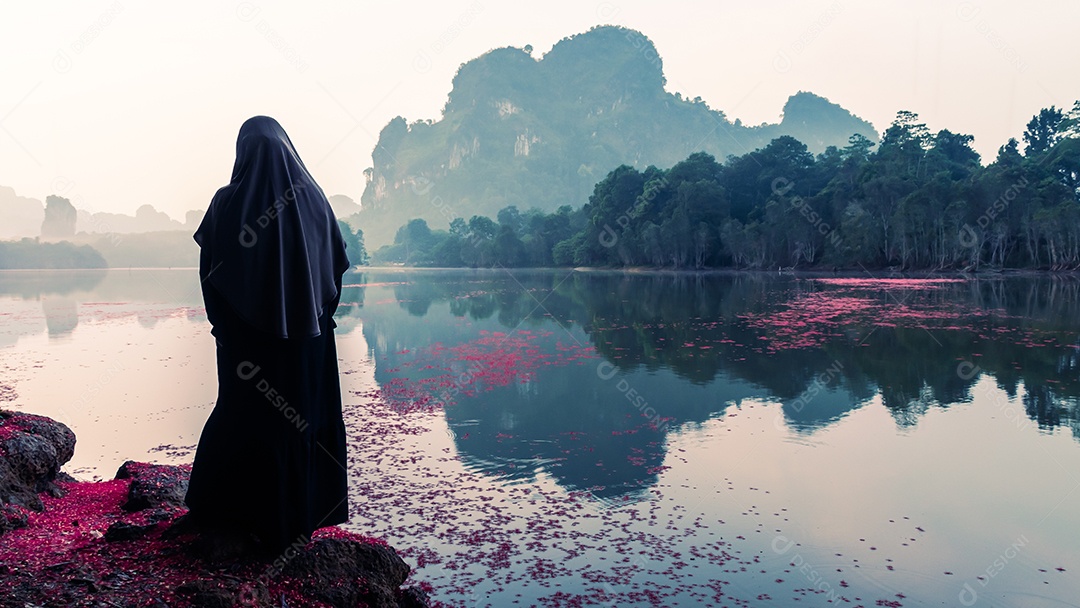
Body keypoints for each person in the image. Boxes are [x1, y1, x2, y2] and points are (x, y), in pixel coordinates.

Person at [183, 116, 351, 554]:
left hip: (247, 347)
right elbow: (335, 271)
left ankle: (231, 514)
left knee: (244, 418)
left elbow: (211, 277)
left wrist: (228, 330)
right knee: (300, 424)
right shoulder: (315, 201)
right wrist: (313, 319)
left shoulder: (226, 203)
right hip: (309, 343)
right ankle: (296, 521)